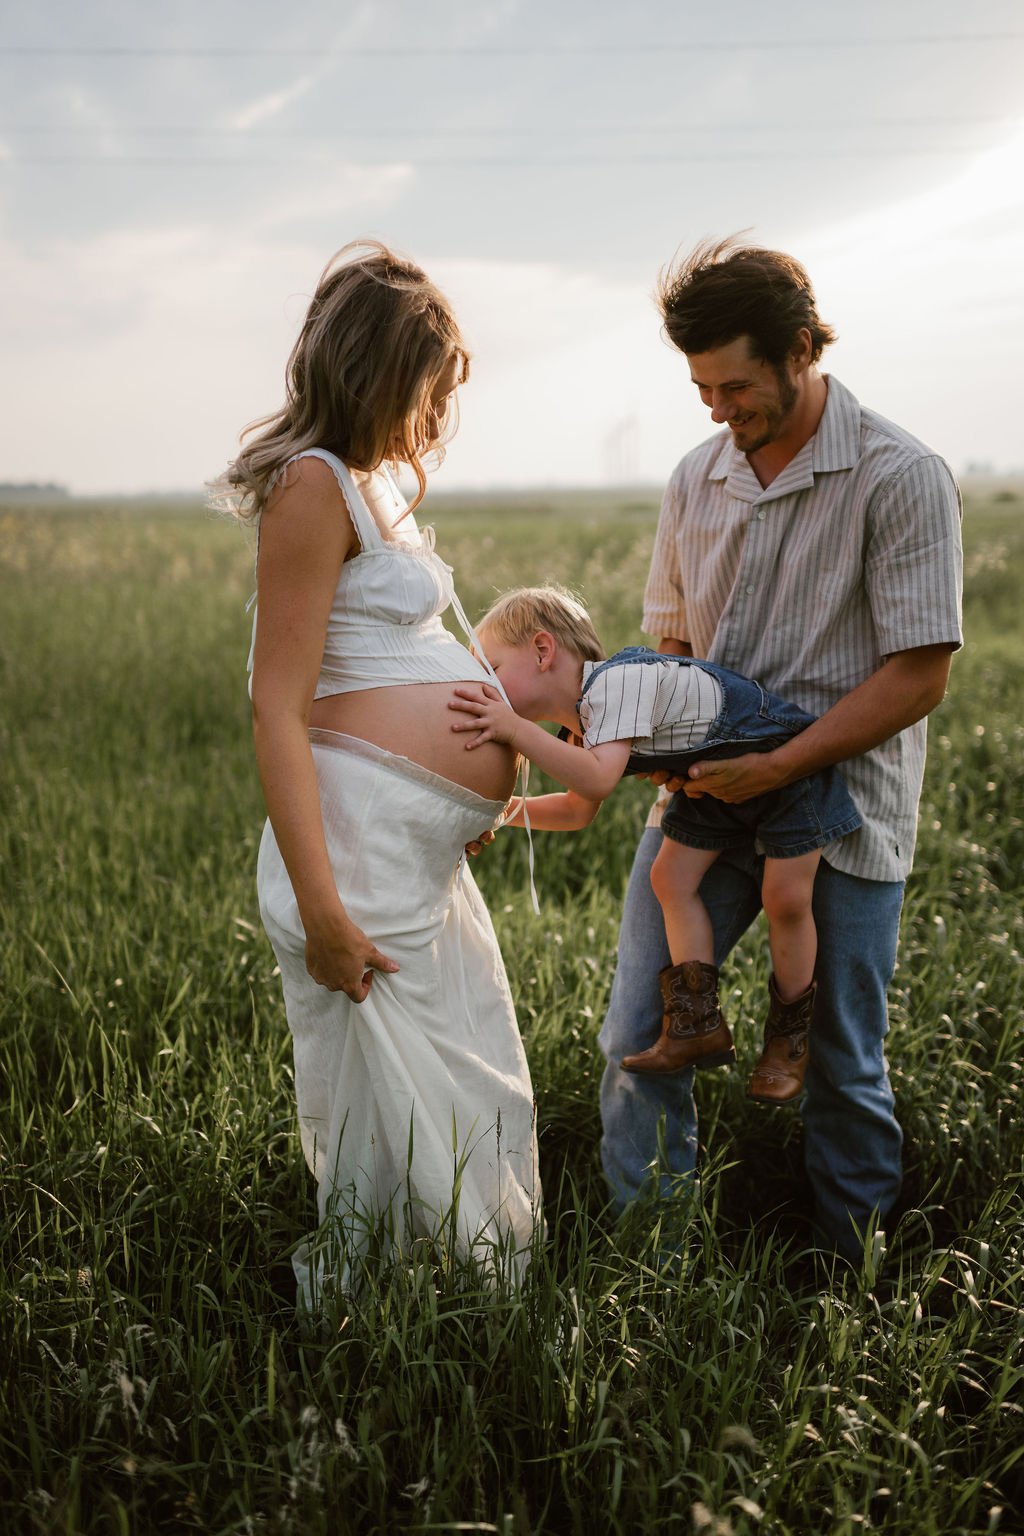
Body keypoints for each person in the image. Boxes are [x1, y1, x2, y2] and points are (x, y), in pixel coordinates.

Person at [598, 237, 963, 1261]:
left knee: (842, 1063)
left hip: (842, 813)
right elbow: (671, 642)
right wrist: (657, 745)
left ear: (803, 346)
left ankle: (851, 1286)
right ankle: (654, 1270)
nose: (718, 409)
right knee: (641, 1038)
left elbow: (918, 674)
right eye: (701, 388)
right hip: (706, 805)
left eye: (738, 384)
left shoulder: (901, 476)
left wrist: (779, 764)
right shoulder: (692, 478)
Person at [211, 241, 540, 1309]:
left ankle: (458, 1298)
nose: (438, 415)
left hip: (408, 856)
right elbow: (277, 706)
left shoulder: (371, 485)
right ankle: (402, 1323)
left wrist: (463, 798)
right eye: (431, 388)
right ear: (378, 369)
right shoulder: (311, 488)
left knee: (454, 1071)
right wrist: (318, 908)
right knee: (395, 1091)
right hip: (350, 860)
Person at [450, 585, 862, 1104]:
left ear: (542, 650)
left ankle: (788, 1039)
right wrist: (495, 812)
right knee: (669, 878)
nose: (483, 684)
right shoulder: (582, 725)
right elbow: (578, 809)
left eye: (490, 666)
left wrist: (512, 729)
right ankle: (697, 1024)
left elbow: (597, 781)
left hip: (783, 765)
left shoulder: (614, 684)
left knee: (786, 899)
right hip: (715, 785)